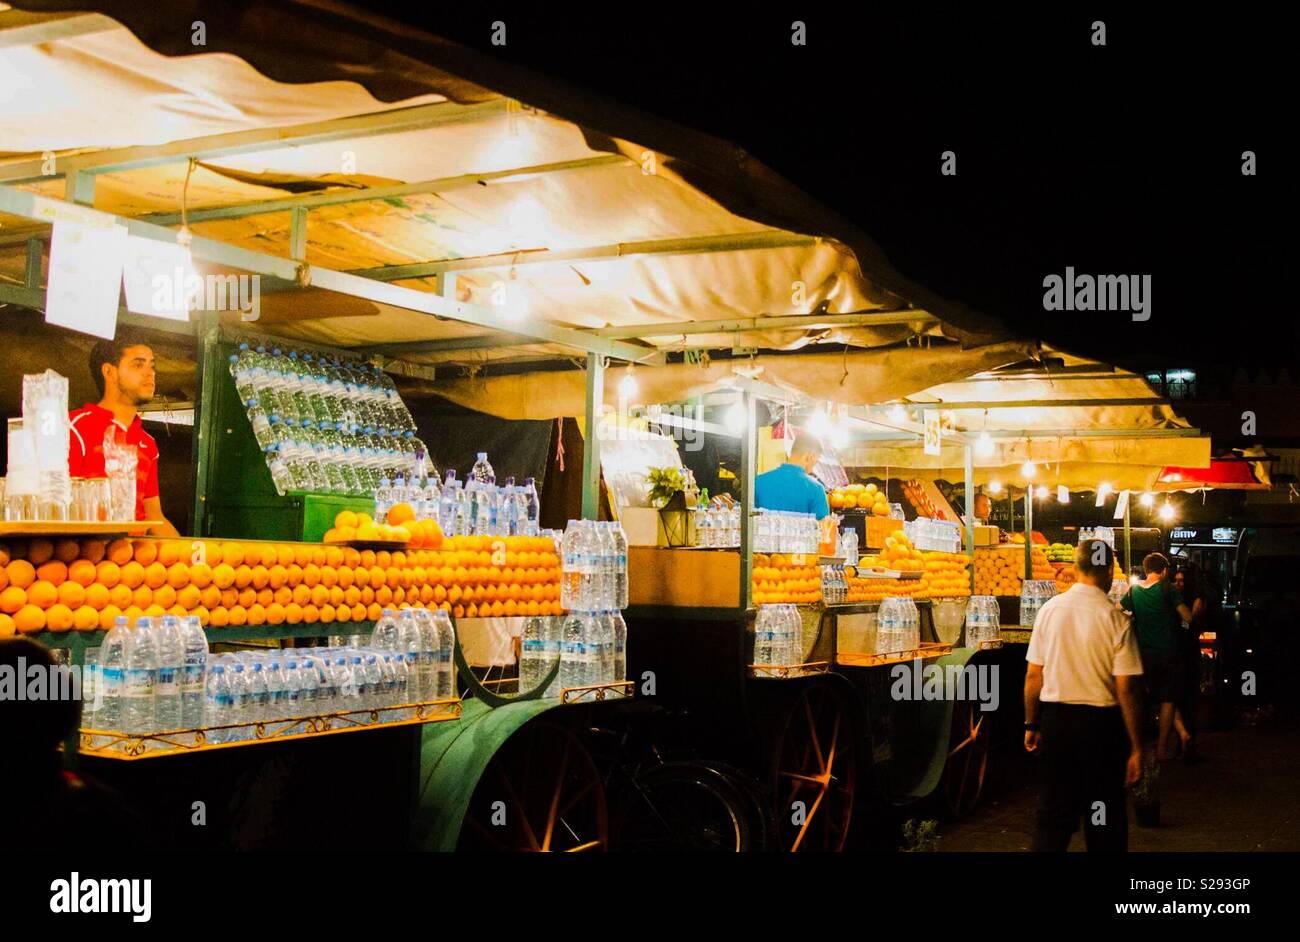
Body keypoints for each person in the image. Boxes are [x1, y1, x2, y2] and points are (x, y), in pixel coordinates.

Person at [1024, 540, 1144, 852]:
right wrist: (1136, 746)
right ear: (1107, 572)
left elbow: (1033, 676)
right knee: (1104, 818)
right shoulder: (1116, 619)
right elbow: (1126, 689)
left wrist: (1031, 724)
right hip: (1101, 730)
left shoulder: (1049, 612)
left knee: (1052, 817)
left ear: (1076, 568)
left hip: (1057, 724)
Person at [68, 335, 180, 536]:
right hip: (86, 558)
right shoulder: (74, 427)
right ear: (109, 372)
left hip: (134, 561)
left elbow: (154, 517)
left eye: (152, 366)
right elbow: (57, 510)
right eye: (138, 365)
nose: (150, 374)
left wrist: (192, 558)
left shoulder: (148, 443)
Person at [1120, 553, 1194, 759]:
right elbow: (1187, 616)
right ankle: (1162, 748)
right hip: (1169, 652)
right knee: (1168, 699)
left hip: (1143, 654)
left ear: (1145, 569)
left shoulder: (1134, 591)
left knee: (1150, 698)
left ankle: (1145, 744)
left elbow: (1117, 610)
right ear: (1164, 570)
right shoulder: (1167, 588)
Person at [1172, 566, 1207, 759]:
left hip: (1189, 653)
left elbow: (1193, 621)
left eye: (1182, 581)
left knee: (1189, 701)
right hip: (1177, 652)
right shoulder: (1173, 599)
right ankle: (1181, 739)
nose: (1178, 584)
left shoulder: (1196, 600)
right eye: (1175, 580)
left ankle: (1189, 740)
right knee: (1177, 699)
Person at [753, 430, 830, 518]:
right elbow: (824, 529)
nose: (813, 468)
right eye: (816, 462)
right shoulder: (816, 489)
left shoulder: (758, 482)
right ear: (810, 457)